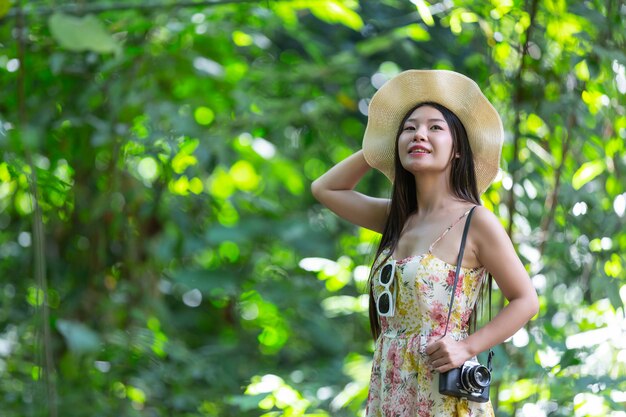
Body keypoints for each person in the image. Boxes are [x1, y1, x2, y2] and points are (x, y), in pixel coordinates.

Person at [311, 70, 539, 416]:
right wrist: (377, 145)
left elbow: (526, 300)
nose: (419, 134)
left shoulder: (474, 222)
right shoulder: (397, 218)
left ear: (458, 149)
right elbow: (325, 189)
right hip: (390, 385)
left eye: (435, 127)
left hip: (441, 390)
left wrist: (467, 347)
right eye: (409, 128)